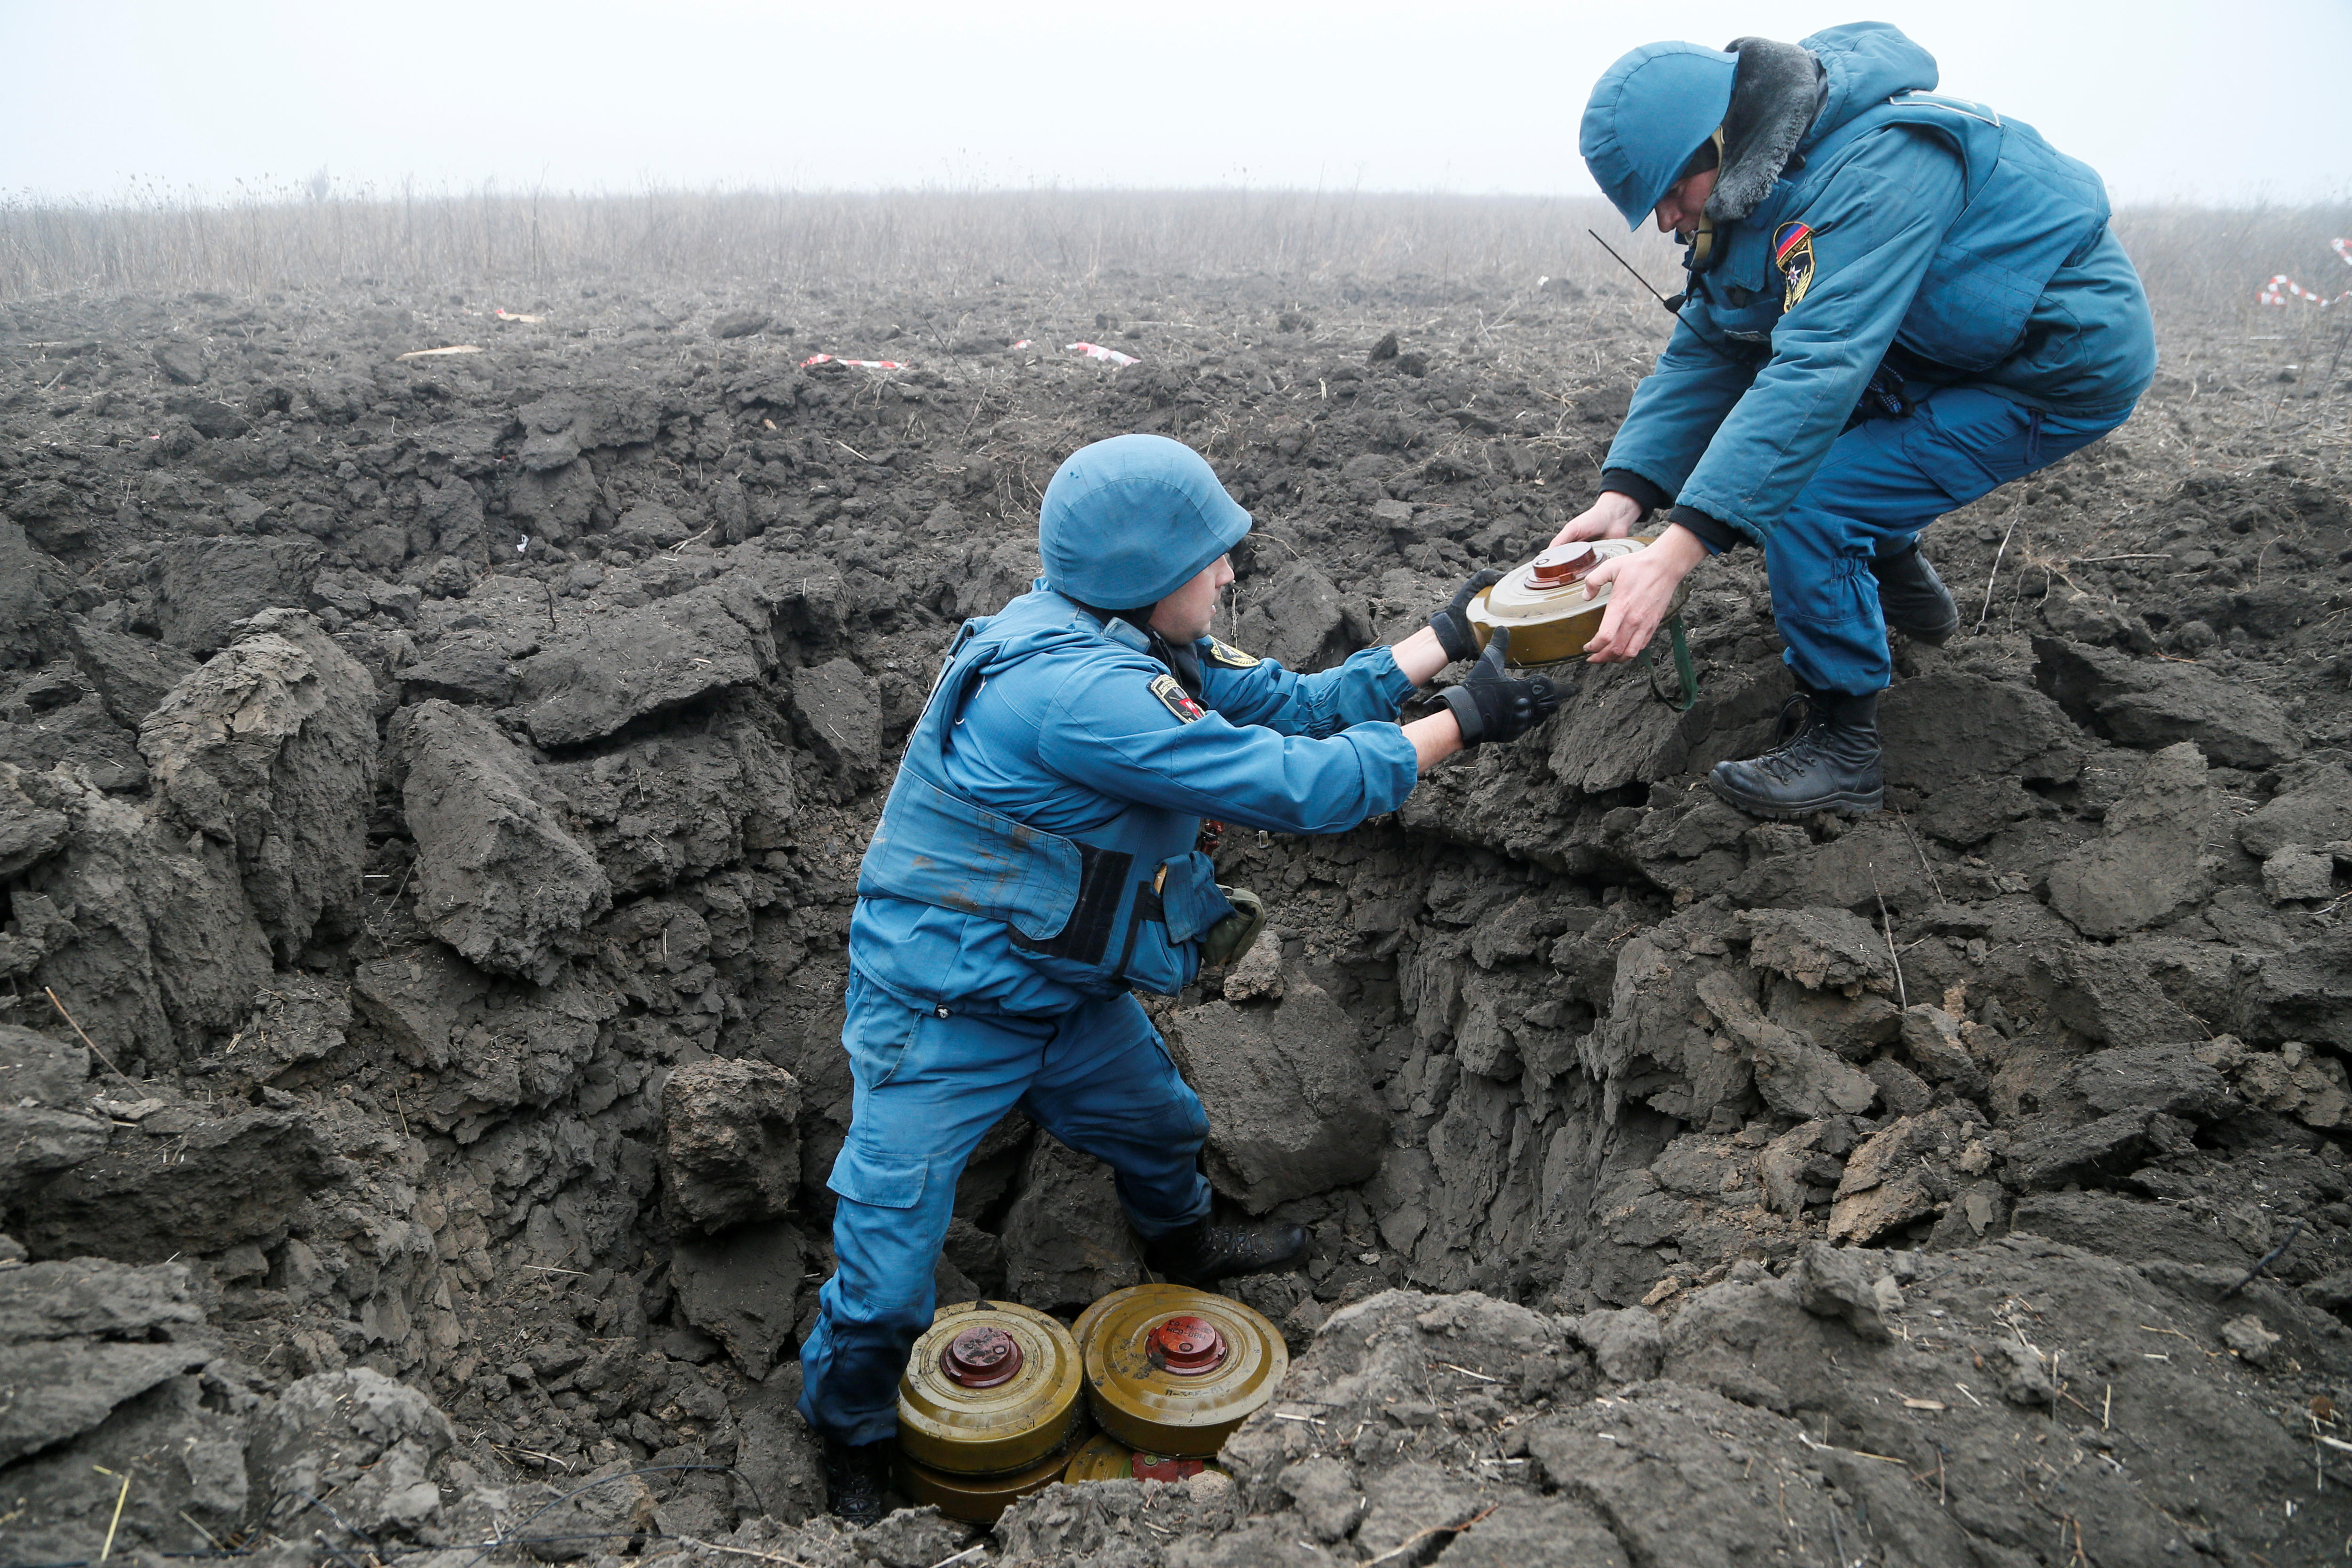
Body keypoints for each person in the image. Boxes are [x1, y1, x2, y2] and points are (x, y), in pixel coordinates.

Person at [797, 433, 1558, 1522]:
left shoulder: (1128, 632)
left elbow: (1293, 704)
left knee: (1162, 1124)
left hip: (1060, 987)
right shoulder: (1081, 692)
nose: (1232, 573)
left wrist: (1453, 634)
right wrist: (1463, 723)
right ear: (1151, 574)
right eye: (1213, 557)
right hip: (942, 1006)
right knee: (883, 1279)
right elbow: (1299, 787)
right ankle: (855, 1435)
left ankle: (1184, 1241)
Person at [1558, 22, 2157, 817]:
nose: (1668, 221)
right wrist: (1626, 495)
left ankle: (1845, 747)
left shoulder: (1877, 170)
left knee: (1808, 498)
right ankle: (1904, 587)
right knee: (1814, 457)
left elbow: (1818, 368)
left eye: (1671, 194)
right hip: (1948, 342)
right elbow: (1714, 340)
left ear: (1718, 140)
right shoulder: (1755, 184)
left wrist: (1671, 556)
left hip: (2058, 358)